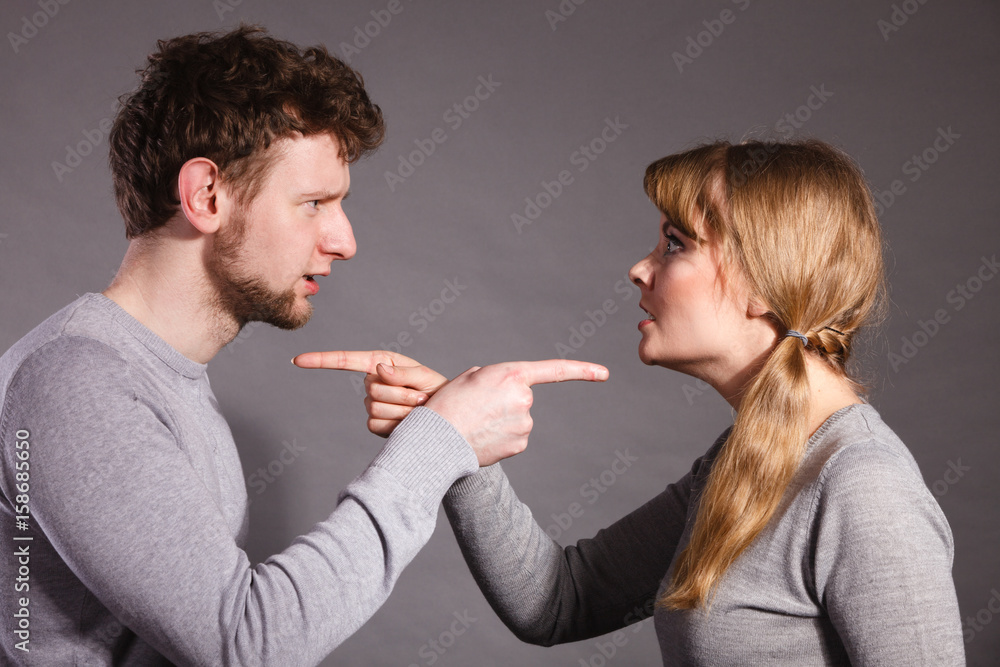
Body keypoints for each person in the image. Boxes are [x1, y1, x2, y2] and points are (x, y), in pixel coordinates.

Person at [0, 26, 607, 665]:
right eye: (314, 202)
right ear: (206, 195)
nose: (344, 240)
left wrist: (442, 435)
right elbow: (247, 644)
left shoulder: (154, 377)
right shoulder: (75, 381)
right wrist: (437, 443)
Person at [313, 139, 967, 664]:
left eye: (675, 244)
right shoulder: (746, 458)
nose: (639, 268)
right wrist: (453, 431)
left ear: (765, 283)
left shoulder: (863, 485)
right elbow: (558, 600)